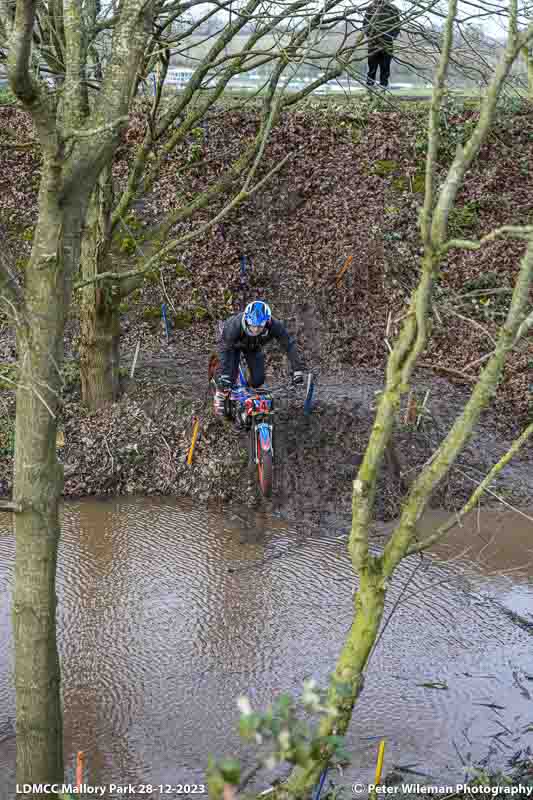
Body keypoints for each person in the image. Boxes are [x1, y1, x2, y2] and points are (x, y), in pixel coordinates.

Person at [213, 300, 304, 418]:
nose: (255, 330)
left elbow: (289, 345)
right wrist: (224, 375)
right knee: (228, 379)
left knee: (258, 380)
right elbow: (224, 350)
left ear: (267, 322)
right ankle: (220, 395)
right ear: (246, 320)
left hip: (253, 347)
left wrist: (297, 370)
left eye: (259, 327)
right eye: (252, 326)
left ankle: (245, 392)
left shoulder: (274, 325)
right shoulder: (234, 325)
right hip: (233, 346)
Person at [362, 0, 401, 90]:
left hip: (387, 43)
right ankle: (369, 88)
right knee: (372, 67)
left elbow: (398, 25)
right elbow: (365, 24)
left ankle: (383, 88)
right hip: (373, 43)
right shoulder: (371, 7)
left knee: (385, 67)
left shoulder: (392, 9)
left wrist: (391, 36)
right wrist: (371, 36)